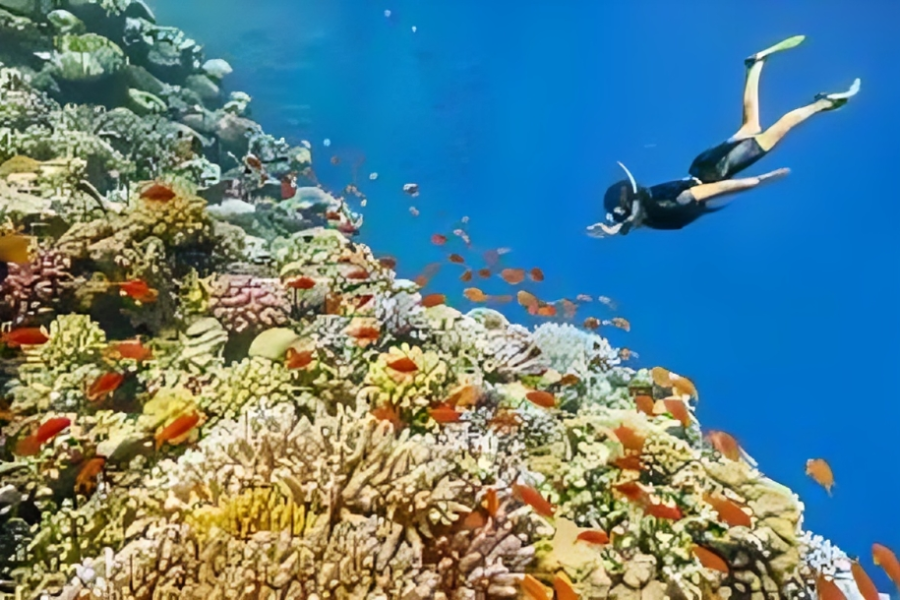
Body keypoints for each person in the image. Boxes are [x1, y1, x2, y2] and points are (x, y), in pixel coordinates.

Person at [587, 35, 860, 237]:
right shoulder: (646, 212)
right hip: (701, 165)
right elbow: (630, 218)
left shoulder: (670, 205)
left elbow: (718, 188)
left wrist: (759, 181)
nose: (630, 227)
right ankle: (755, 66)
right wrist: (611, 229)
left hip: (715, 172)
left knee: (778, 130)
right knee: (751, 126)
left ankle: (823, 103)